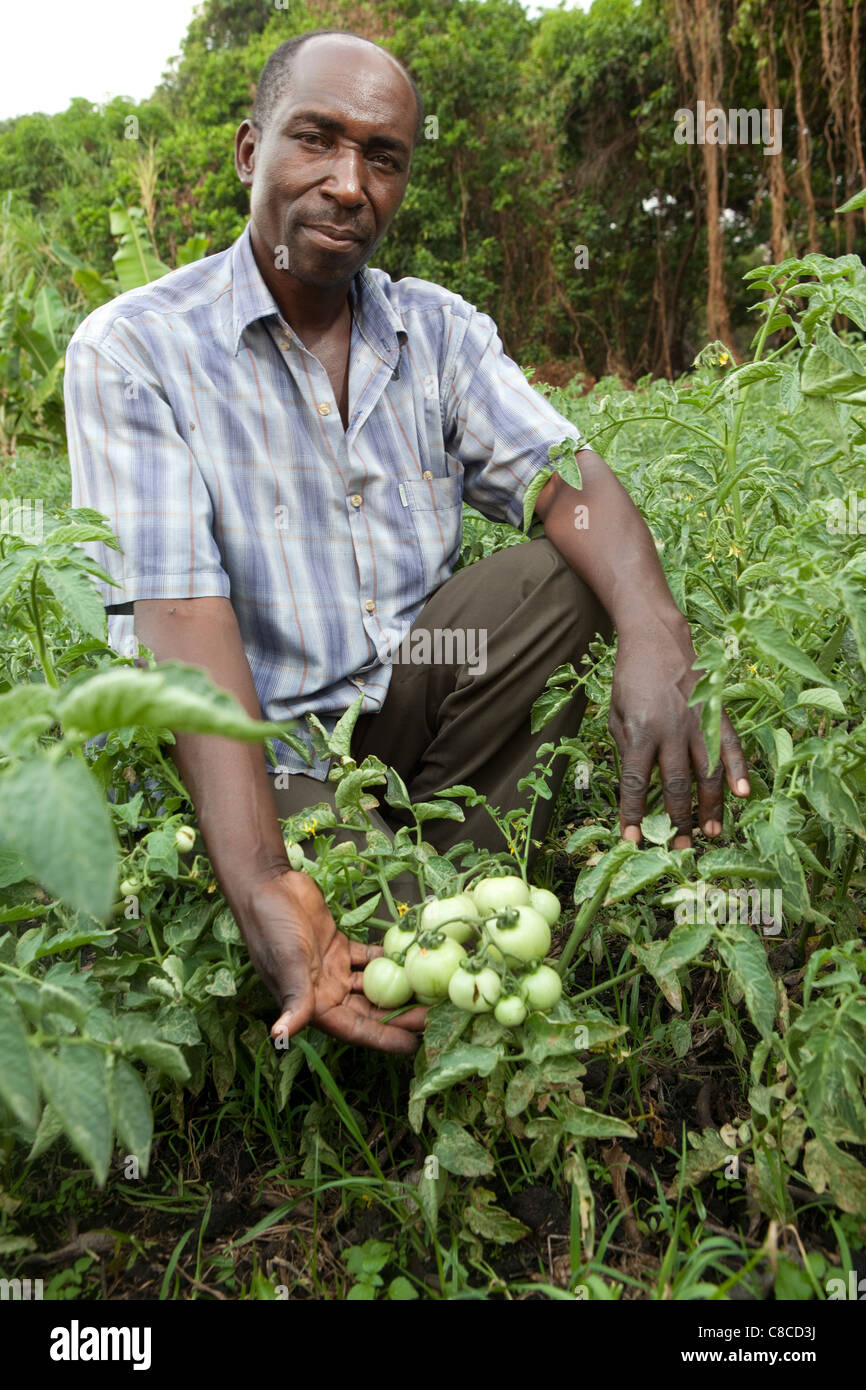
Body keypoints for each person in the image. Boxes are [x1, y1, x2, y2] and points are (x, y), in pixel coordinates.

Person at [64, 29, 750, 1056]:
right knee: (413, 977)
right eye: (317, 141)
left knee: (564, 581)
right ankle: (400, 888)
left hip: (411, 700)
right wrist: (260, 880)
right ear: (251, 153)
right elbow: (181, 627)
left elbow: (567, 483)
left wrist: (658, 638)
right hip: (273, 747)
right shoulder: (138, 349)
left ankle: (446, 858)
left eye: (382, 158)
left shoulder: (433, 331)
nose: (348, 184)